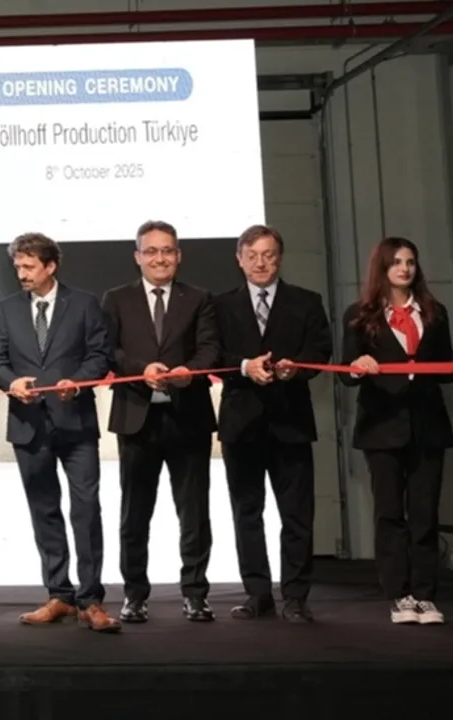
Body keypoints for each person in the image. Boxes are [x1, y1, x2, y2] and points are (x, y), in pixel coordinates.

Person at [0, 232, 119, 633]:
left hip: (75, 422)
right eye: (18, 267)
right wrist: (11, 382)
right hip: (29, 425)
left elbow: (99, 355)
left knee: (86, 509)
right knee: (44, 510)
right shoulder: (7, 308)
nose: (22, 274)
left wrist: (77, 382)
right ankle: (59, 594)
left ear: (50, 266)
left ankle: (91, 599)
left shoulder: (84, 304)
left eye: (29, 266)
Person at [101, 220, 219, 623]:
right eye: (151, 251)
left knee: (194, 512)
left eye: (167, 250)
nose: (160, 258)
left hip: (188, 417)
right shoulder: (116, 298)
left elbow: (210, 349)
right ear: (138, 257)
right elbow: (109, 351)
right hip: (137, 418)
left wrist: (189, 372)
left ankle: (196, 594)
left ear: (179, 255)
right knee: (135, 514)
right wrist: (141, 369)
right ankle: (134, 595)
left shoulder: (199, 298)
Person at [215, 225, 331, 624]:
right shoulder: (221, 305)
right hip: (241, 423)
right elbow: (212, 355)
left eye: (268, 255)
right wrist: (245, 367)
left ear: (279, 258)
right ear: (239, 259)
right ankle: (257, 594)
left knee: (297, 515)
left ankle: (296, 597)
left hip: (290, 422)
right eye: (252, 255)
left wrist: (294, 369)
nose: (260, 263)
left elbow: (320, 351)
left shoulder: (307, 301)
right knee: (247, 513)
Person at [341, 236, 452, 625]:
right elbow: (347, 374)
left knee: (425, 513)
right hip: (381, 426)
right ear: (382, 267)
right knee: (389, 513)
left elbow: (445, 368)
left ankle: (425, 595)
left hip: (428, 425)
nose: (405, 268)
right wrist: (359, 365)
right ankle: (398, 595)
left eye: (411, 262)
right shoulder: (360, 314)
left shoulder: (435, 312)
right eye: (397, 262)